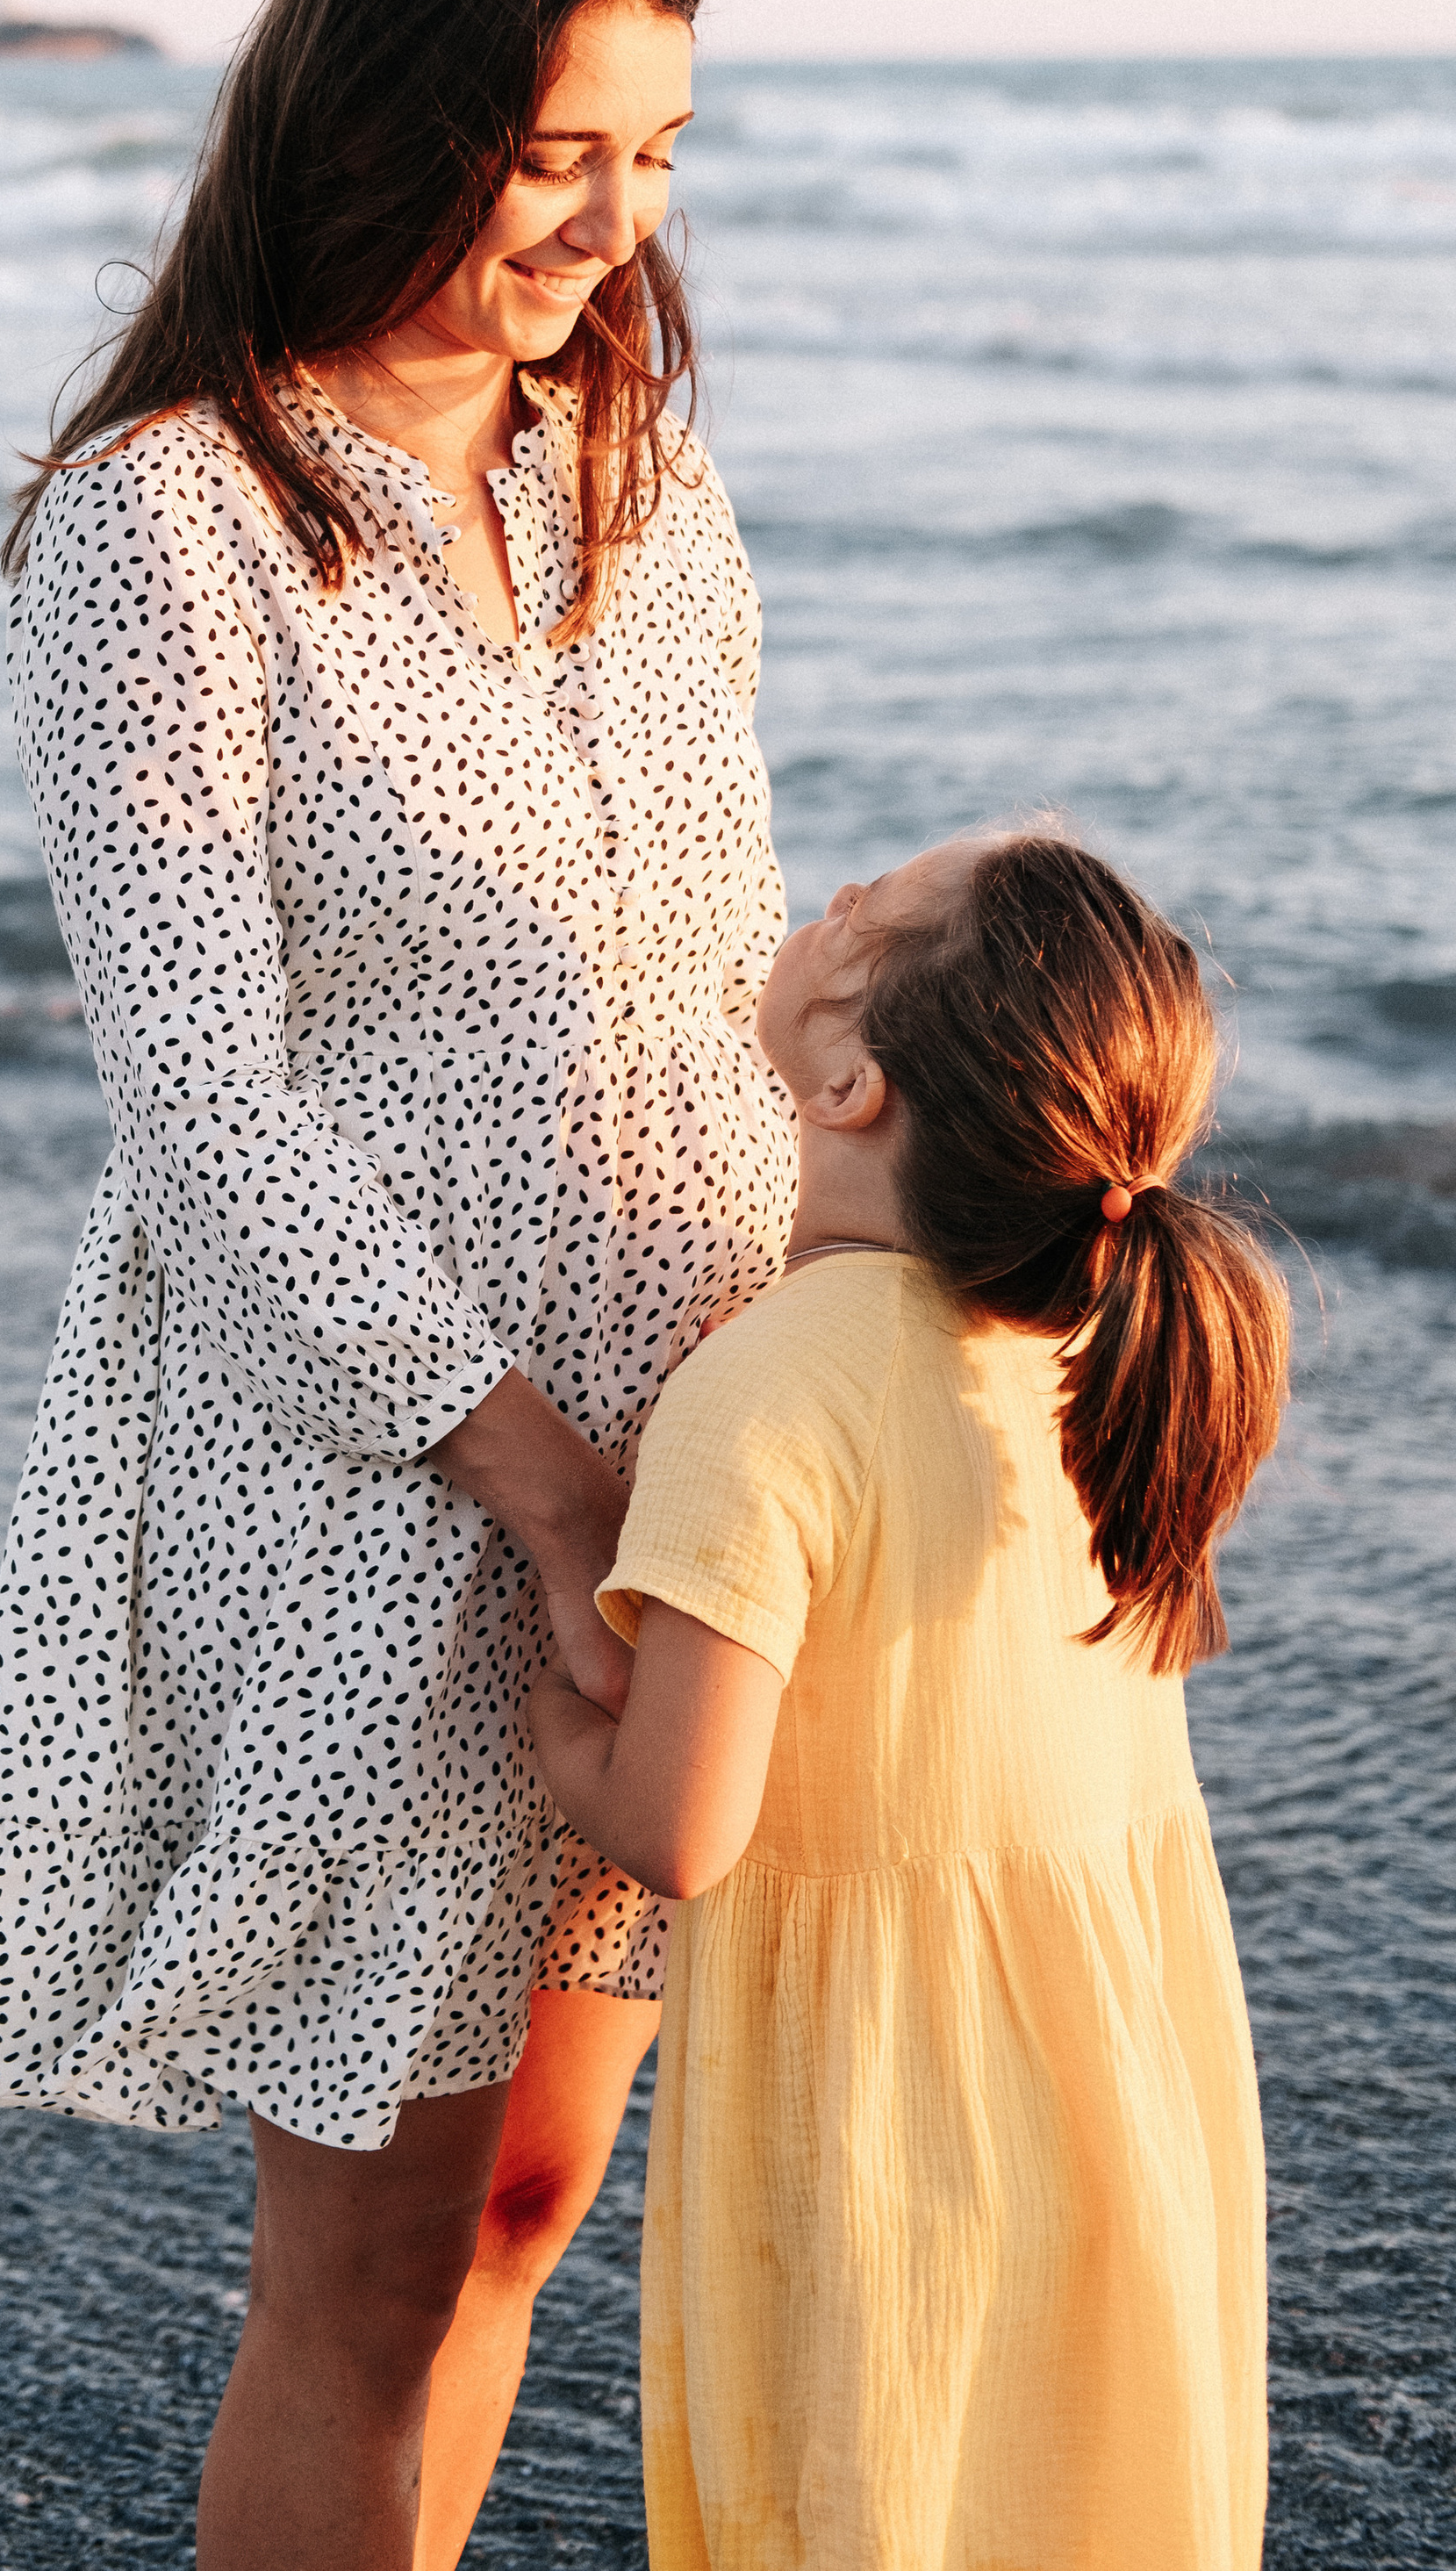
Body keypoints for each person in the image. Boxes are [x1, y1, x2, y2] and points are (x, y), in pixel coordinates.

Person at [0, 0, 798, 2569]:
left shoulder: (639, 481)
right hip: (380, 1473)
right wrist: (539, 1482)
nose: (616, 224)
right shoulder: (171, 520)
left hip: (679, 1438)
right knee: (370, 2271)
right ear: (388, 111)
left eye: (660, 154)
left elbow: (738, 959)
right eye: (559, 152)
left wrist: (825, 1374)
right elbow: (201, 1105)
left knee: (529, 2208)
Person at [534, 829, 1285, 2569]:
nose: (838, 892)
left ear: (850, 1083)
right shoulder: (1093, 1357)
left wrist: (536, 1712)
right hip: (1117, 2072)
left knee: (874, 2499)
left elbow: (674, 1828)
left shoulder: (763, 1390)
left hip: (892, 2125)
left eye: (868, 909)